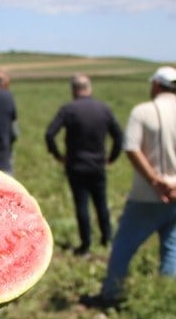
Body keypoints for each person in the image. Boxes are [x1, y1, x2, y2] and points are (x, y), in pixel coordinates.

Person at [81, 66, 176, 309]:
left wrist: (154, 180)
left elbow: (131, 148)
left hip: (145, 196)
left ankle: (111, 295)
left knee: (123, 246)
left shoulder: (142, 112)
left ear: (156, 85)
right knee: (171, 246)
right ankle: (164, 299)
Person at [43, 74, 123, 256]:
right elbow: (118, 136)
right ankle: (106, 239)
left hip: (75, 165)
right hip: (97, 164)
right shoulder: (103, 109)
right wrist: (112, 157)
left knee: (81, 205)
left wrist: (57, 155)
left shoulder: (68, 109)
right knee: (101, 203)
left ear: (73, 90)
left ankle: (85, 244)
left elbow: (49, 134)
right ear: (90, 88)